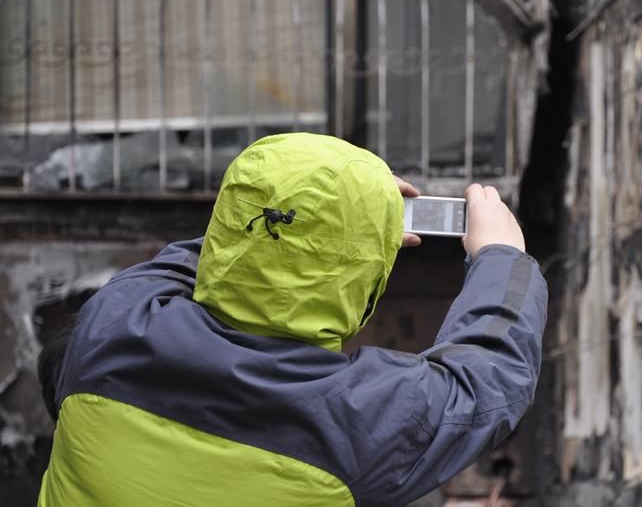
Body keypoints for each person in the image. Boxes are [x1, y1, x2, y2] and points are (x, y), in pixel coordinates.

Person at [36, 133, 547, 506]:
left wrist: (306, 211)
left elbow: (206, 254)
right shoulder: (361, 418)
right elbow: (487, 378)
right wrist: (502, 256)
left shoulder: (110, 324)